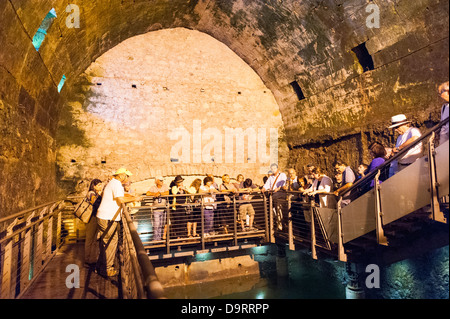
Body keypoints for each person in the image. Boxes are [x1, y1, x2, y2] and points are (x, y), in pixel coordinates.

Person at [96, 168, 142, 277]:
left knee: (106, 241)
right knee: (111, 241)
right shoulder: (116, 184)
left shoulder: (113, 183)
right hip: (108, 217)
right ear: (121, 176)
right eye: (127, 176)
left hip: (105, 216)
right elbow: (120, 200)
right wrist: (134, 199)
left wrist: (131, 196)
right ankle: (107, 268)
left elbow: (119, 196)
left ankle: (100, 266)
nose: (128, 178)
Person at [261, 164, 287, 230]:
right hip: (273, 196)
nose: (273, 170)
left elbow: (283, 184)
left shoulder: (282, 175)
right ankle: (276, 225)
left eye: (274, 168)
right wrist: (263, 188)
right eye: (272, 169)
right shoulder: (271, 177)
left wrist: (278, 188)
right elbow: (267, 184)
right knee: (273, 211)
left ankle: (281, 226)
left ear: (277, 168)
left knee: (279, 211)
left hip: (279, 196)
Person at [84, 179, 103, 268]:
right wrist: (100, 195)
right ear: (94, 186)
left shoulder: (95, 194)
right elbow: (95, 203)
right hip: (91, 218)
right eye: (98, 185)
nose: (100, 187)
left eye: (101, 185)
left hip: (96, 217)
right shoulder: (91, 193)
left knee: (95, 238)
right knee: (90, 238)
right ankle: (87, 259)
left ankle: (93, 258)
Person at [146, 176, 169, 241]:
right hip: (156, 209)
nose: (162, 182)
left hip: (163, 208)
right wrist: (155, 194)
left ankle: (160, 238)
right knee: (156, 224)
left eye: (162, 180)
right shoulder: (153, 187)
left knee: (162, 224)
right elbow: (147, 193)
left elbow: (167, 192)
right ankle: (156, 239)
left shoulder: (165, 186)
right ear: (157, 181)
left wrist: (160, 193)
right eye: (160, 180)